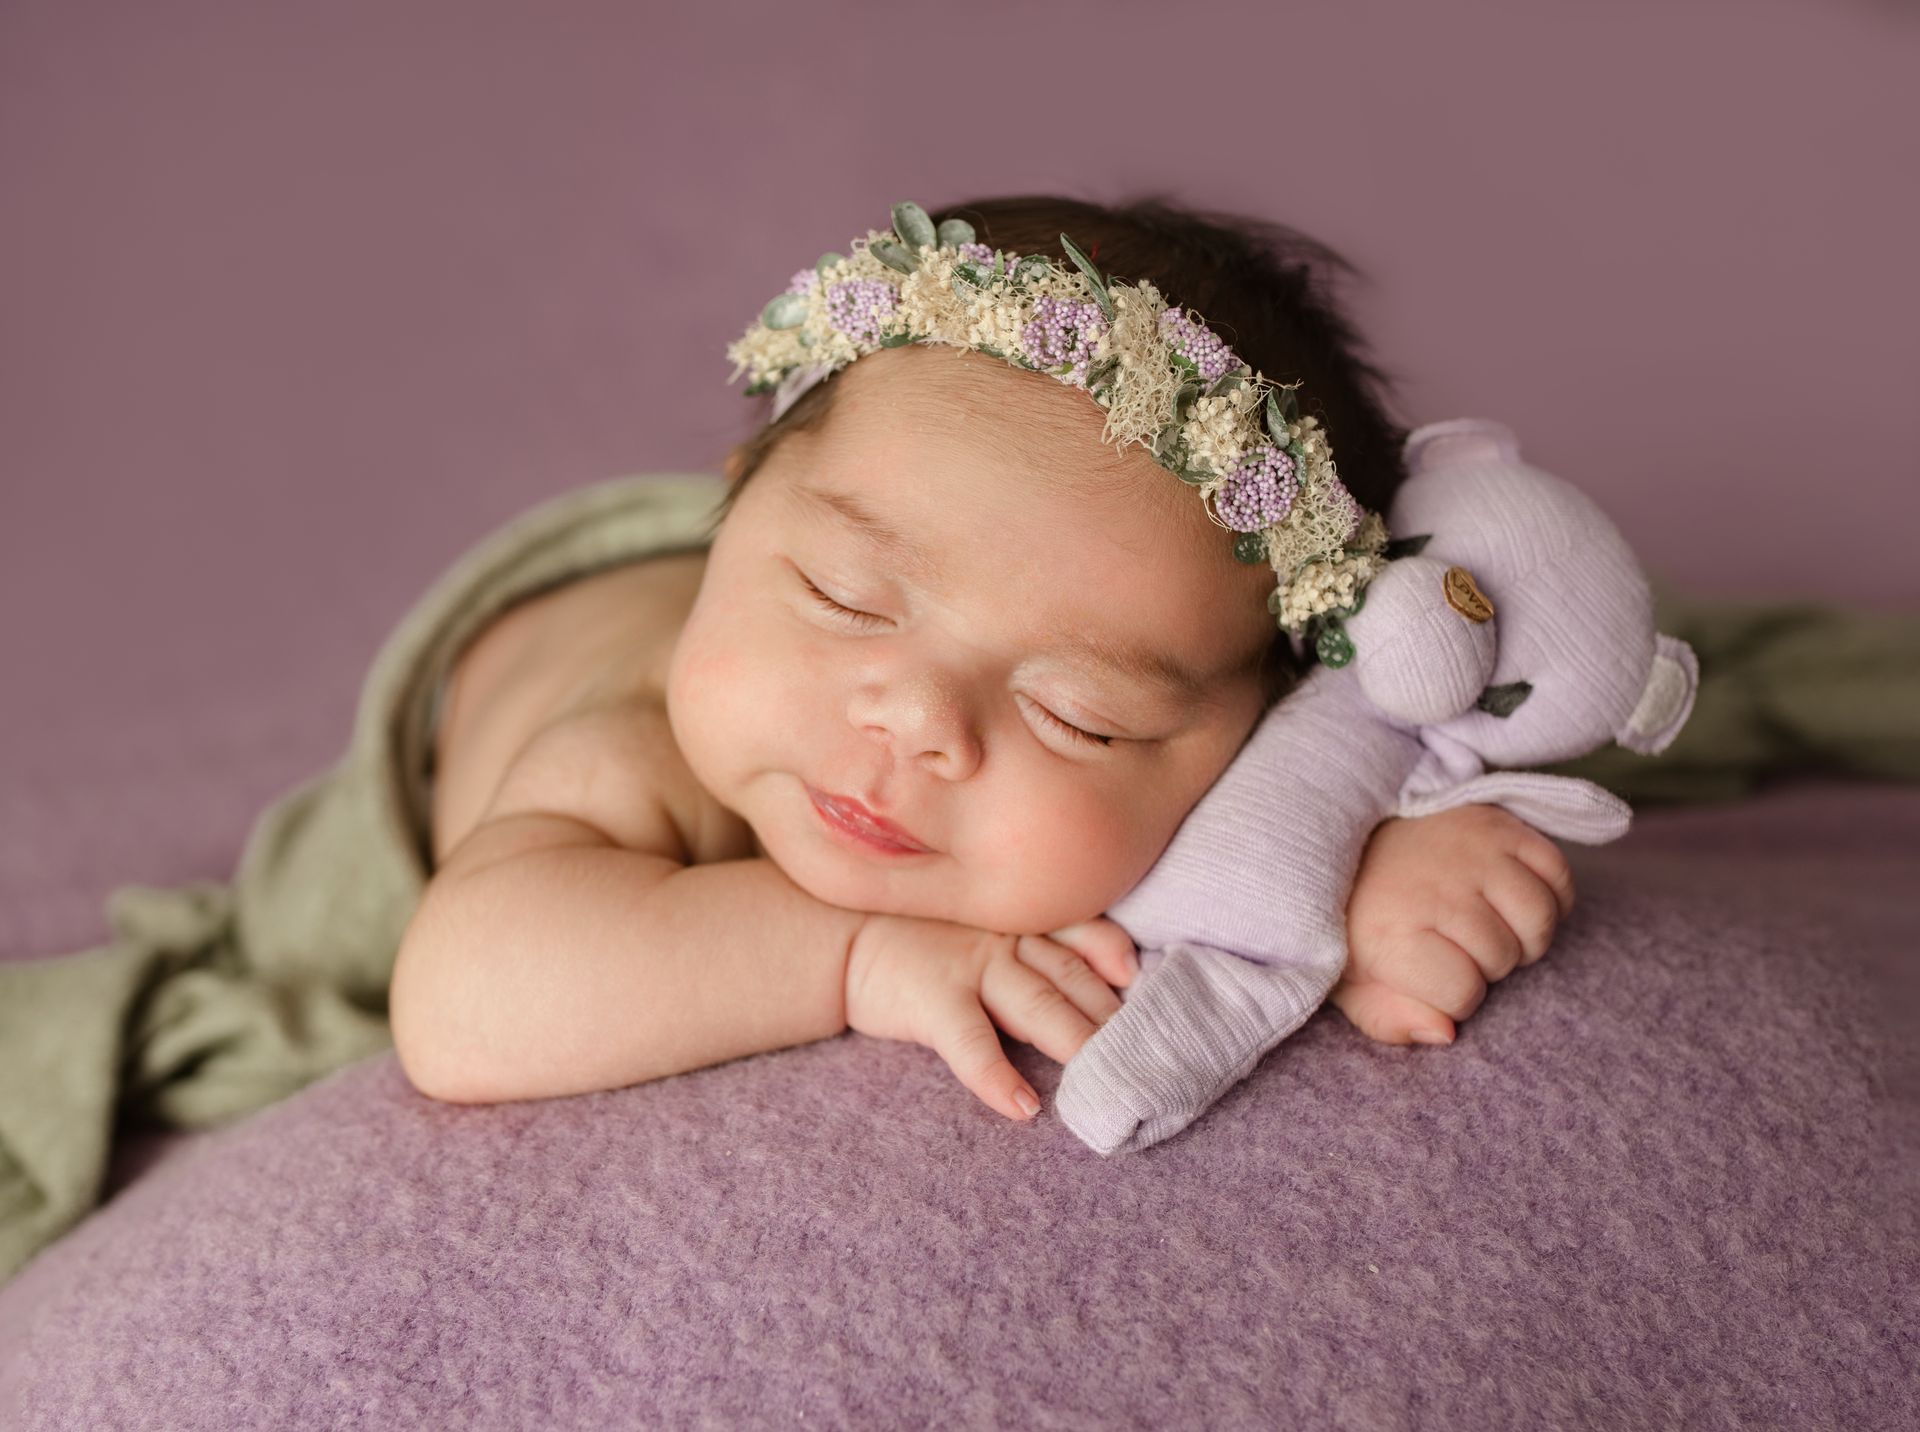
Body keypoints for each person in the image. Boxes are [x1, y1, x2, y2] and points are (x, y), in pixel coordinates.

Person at [389, 192, 1576, 1126]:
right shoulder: (632, 749)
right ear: (744, 503)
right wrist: (860, 955)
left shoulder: (1225, 708)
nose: (917, 720)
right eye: (843, 603)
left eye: (1077, 716)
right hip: (527, 644)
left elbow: (1334, 769)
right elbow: (461, 1005)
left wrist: (1385, 838)